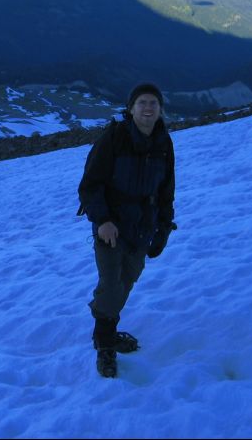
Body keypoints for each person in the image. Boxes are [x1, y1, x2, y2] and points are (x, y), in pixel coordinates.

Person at [77, 83, 176, 378]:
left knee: (127, 281)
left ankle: (106, 327)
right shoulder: (114, 138)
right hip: (112, 225)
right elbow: (90, 185)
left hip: (143, 226)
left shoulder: (163, 143)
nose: (148, 108)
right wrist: (103, 220)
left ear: (160, 110)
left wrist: (164, 227)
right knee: (111, 284)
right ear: (131, 108)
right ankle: (105, 344)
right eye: (142, 103)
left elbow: (166, 190)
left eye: (153, 103)